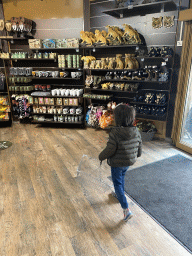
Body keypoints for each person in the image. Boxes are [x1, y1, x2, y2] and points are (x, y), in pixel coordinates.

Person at [99, 104, 142, 221]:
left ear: (117, 118)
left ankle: (126, 210)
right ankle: (119, 194)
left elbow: (110, 149)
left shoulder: (115, 132)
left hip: (117, 163)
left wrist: (101, 156)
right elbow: (139, 148)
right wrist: (135, 155)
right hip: (128, 162)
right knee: (121, 178)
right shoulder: (136, 131)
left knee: (117, 183)